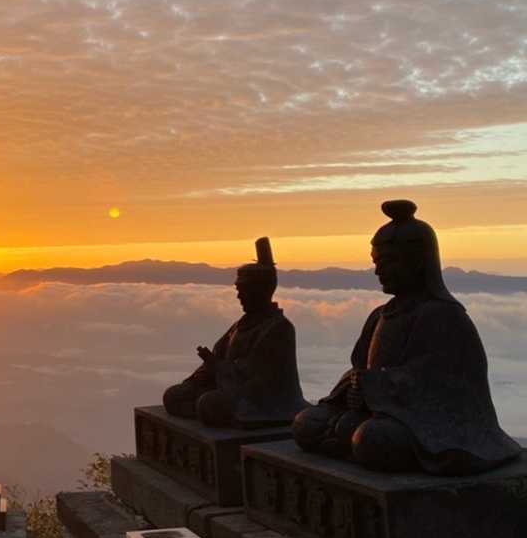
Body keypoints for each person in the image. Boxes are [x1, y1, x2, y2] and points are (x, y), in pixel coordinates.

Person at [293, 200, 520, 474]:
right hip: (381, 411)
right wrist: (353, 388)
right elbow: (359, 368)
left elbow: (443, 383)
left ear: (418, 262)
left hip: (431, 423)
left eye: (388, 262)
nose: (378, 271)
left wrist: (373, 385)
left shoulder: (443, 316)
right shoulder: (380, 315)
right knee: (307, 423)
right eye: (376, 263)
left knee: (373, 439)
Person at [162, 238, 307, 428]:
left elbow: (259, 379)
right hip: (229, 386)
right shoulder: (240, 325)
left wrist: (217, 367)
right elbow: (219, 355)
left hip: (265, 402)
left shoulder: (278, 328)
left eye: (243, 290)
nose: (238, 296)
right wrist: (204, 373)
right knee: (173, 395)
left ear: (259, 291)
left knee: (209, 404)